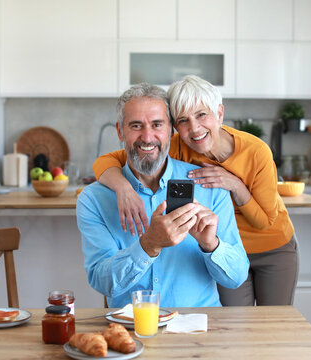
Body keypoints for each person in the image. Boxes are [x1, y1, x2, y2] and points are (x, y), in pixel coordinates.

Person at [93, 75, 298, 306]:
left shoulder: (256, 151)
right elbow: (105, 161)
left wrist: (235, 185)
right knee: (236, 324)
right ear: (174, 127)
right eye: (183, 120)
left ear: (219, 114)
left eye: (201, 115)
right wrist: (123, 188)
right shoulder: (175, 145)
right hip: (221, 248)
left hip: (270, 246)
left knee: (274, 325)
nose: (194, 128)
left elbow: (265, 221)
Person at [76, 82, 248, 308]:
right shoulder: (94, 199)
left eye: (157, 124)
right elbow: (102, 282)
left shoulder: (209, 185)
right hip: (132, 329)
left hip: (198, 329)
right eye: (136, 126)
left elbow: (236, 278)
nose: (147, 137)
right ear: (120, 131)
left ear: (171, 130)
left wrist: (211, 245)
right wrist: (148, 245)